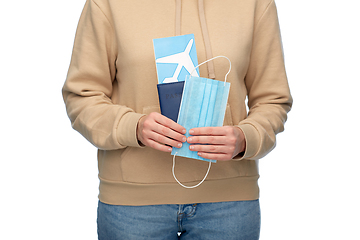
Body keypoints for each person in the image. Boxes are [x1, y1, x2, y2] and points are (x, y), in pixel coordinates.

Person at [62, 0, 292, 239]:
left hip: (229, 203)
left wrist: (246, 138)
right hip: (133, 204)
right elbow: (82, 97)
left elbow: (272, 100)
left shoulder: (255, 3)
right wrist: (134, 127)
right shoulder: (107, 3)